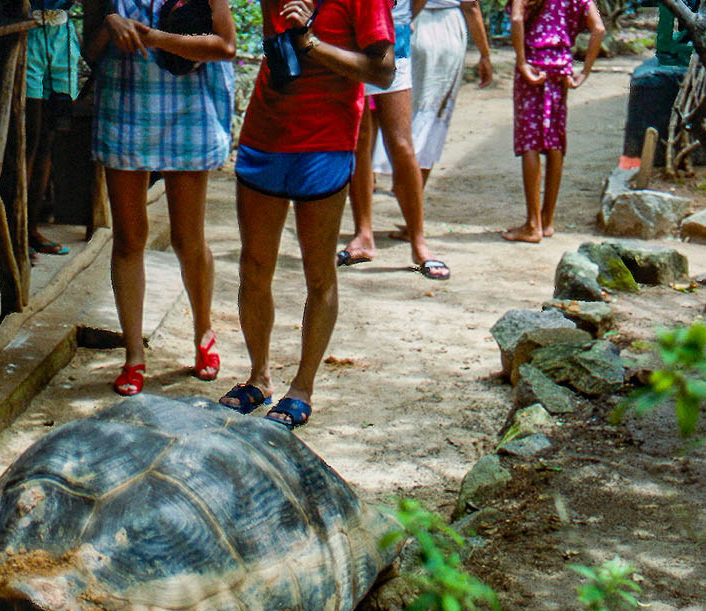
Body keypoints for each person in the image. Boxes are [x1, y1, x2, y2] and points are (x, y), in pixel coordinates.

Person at [223, 0, 394, 429]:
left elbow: (382, 70)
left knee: (318, 272)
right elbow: (272, 46)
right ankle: (258, 377)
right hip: (266, 131)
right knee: (254, 265)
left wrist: (311, 43)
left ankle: (302, 386)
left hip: (326, 137)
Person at [86, 0, 237, 396]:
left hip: (189, 108)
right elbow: (88, 50)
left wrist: (156, 39)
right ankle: (133, 354)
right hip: (125, 105)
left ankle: (203, 331)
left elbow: (226, 46)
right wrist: (110, 24)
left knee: (188, 239)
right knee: (128, 238)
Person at [337, 0, 448, 280]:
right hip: (349, 37)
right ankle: (363, 234)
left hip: (391, 37)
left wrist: (406, 16)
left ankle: (418, 242)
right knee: (359, 141)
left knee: (401, 143)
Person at [501, 0, 603, 242]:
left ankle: (532, 224)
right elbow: (598, 28)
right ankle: (547, 221)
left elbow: (516, 18)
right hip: (561, 66)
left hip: (534, 65)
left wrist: (522, 61)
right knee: (555, 140)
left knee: (530, 141)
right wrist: (584, 71)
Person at [408, 0, 494, 185]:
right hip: (447, 28)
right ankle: (414, 184)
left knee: (409, 107)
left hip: (412, 23)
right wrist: (485, 54)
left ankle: (402, 177)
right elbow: (470, 6)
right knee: (434, 113)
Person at [25, 0, 80, 256]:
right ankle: (14, 232)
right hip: (26, 31)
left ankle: (30, 228)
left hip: (61, 33)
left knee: (48, 140)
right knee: (28, 140)